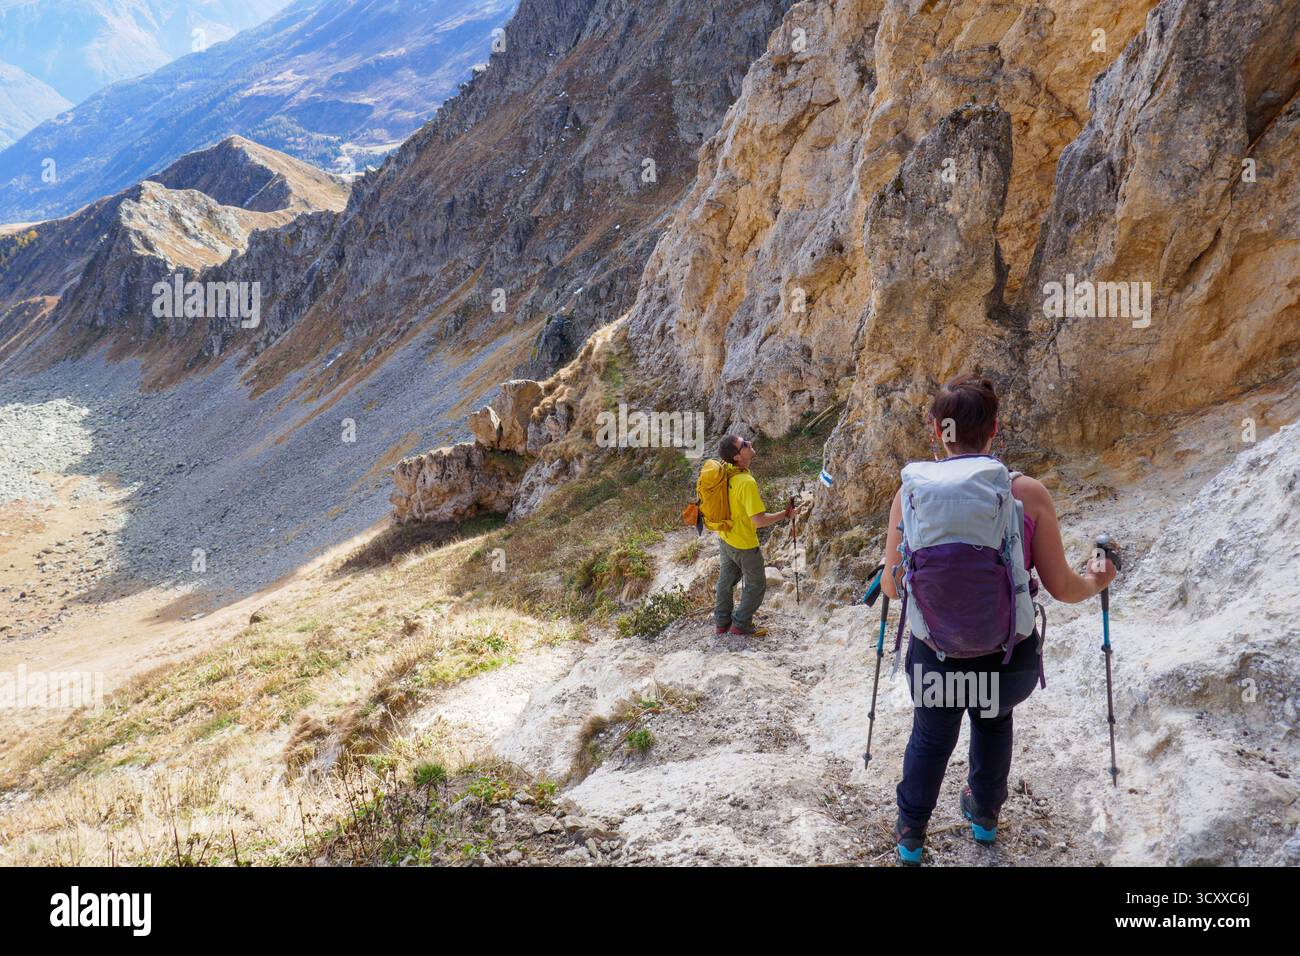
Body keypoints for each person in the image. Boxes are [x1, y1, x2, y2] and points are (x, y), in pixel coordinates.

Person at [878, 374, 1116, 864]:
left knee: (931, 734)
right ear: (995, 430)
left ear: (935, 431)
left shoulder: (911, 493)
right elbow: (1064, 588)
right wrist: (1100, 578)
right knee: (992, 721)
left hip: (936, 657)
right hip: (1008, 661)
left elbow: (890, 584)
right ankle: (984, 817)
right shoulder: (1026, 492)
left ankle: (911, 834)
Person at [713, 435, 793, 637]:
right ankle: (740, 624)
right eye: (744, 444)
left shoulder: (726, 472)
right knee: (757, 585)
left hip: (725, 538)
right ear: (737, 456)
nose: (750, 443)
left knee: (725, 582)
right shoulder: (746, 482)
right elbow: (758, 521)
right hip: (744, 544)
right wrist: (785, 514)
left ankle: (722, 623)